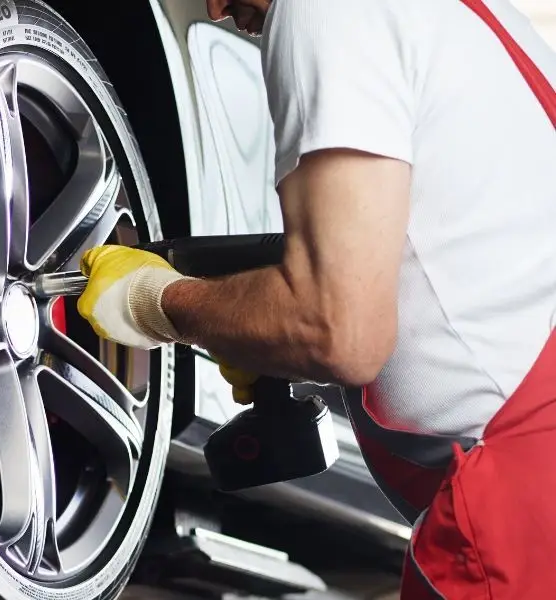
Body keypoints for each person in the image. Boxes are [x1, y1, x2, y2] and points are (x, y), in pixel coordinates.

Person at [77, 0, 556, 597]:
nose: (217, 8)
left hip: (528, 516)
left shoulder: (325, 10)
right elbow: (451, 275)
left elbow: (340, 331)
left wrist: (158, 302)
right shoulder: (484, 21)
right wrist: (252, 315)